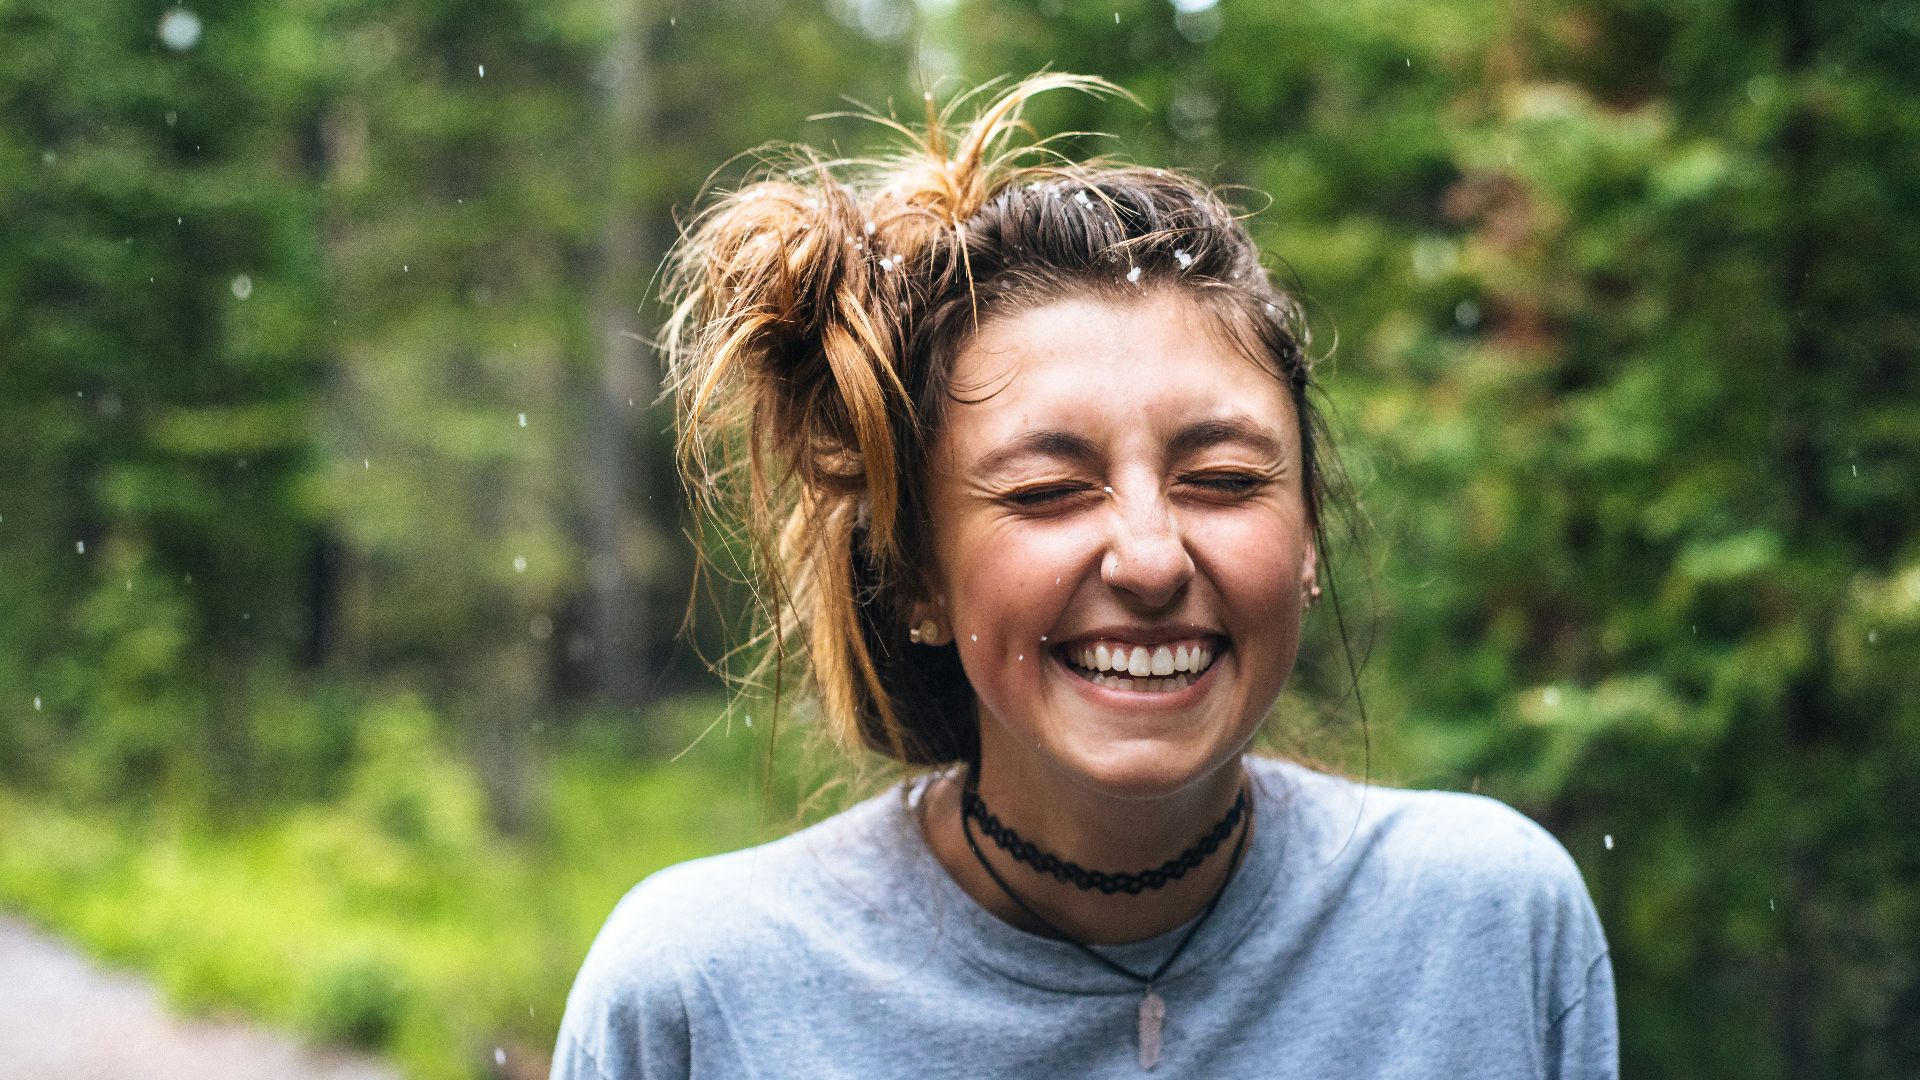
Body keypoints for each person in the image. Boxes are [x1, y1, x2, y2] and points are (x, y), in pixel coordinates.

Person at [550, 74, 1617, 1079]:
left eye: (1224, 479)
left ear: (1308, 545)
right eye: (1047, 492)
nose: (1150, 559)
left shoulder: (1488, 930)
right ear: (919, 575)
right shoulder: (704, 995)